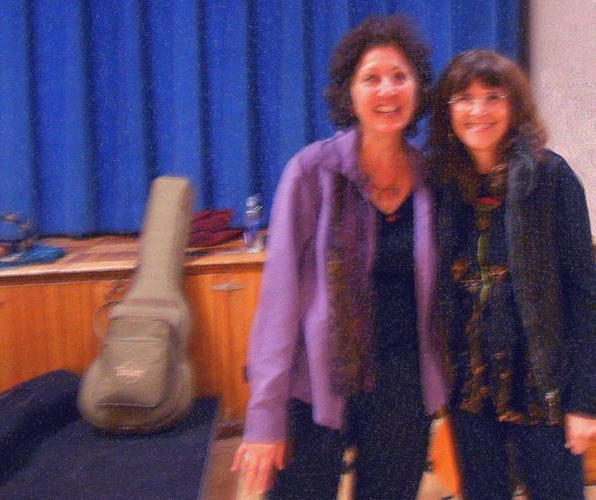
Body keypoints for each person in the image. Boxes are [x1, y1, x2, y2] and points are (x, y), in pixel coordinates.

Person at [231, 15, 447, 499]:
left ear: (418, 89)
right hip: (314, 385)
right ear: (349, 93)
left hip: (402, 386)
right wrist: (265, 416)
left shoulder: (432, 179)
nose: (387, 90)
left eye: (400, 76)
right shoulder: (312, 172)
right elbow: (279, 303)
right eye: (371, 78)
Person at [429, 49, 596, 499]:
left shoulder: (551, 177)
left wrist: (585, 402)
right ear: (448, 111)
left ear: (515, 105)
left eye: (493, 97)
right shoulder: (444, 185)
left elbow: (585, 298)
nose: (478, 111)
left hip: (543, 390)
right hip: (472, 394)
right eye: (465, 99)